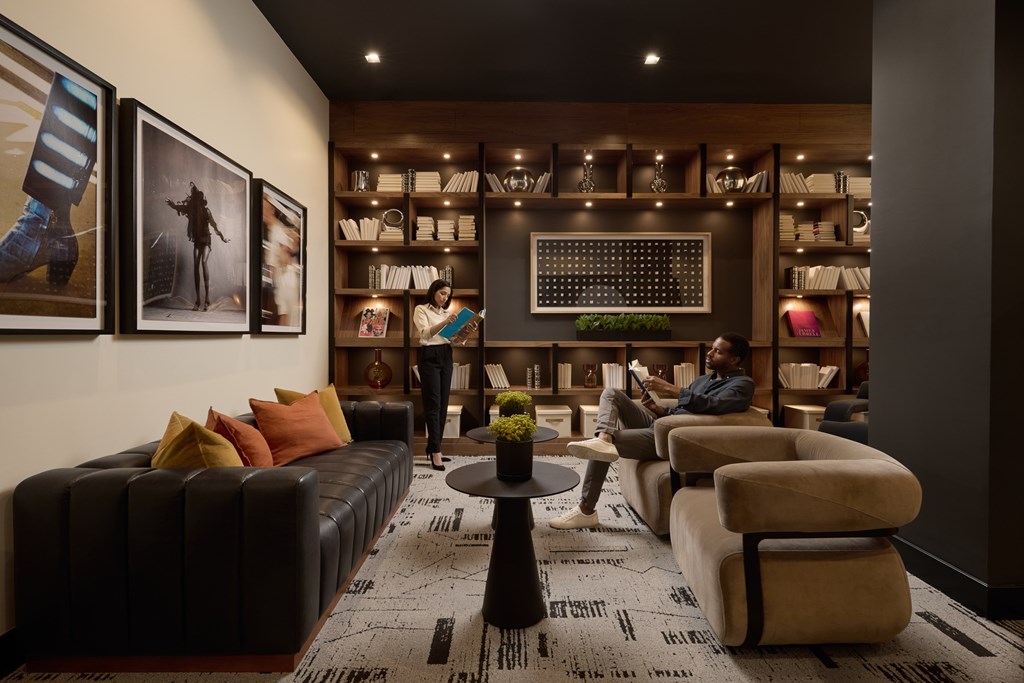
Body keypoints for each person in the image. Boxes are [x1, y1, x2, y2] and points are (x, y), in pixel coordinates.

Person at [549, 332, 755, 530]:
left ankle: (586, 510)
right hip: (663, 424)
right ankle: (604, 437)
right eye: (711, 349)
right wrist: (658, 409)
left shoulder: (743, 385)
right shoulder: (703, 380)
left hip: (675, 438)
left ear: (734, 360)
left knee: (603, 448)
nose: (709, 354)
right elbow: (682, 410)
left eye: (718, 351)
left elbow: (714, 405)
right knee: (611, 393)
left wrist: (670, 388)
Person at [412, 279, 477, 471]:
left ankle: (434, 448)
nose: (444, 297)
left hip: (446, 354)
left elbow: (455, 341)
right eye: (442, 293)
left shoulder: (447, 314)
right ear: (433, 292)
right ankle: (435, 452)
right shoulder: (421, 309)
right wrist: (445, 323)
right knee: (433, 404)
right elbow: (425, 334)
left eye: (447, 295)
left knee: (443, 405)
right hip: (429, 356)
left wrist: (466, 331)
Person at [166, 182, 229, 311]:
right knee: (196, 265)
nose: (193, 202)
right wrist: (172, 204)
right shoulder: (191, 210)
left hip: (206, 240)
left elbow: (214, 225)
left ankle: (207, 299)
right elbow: (179, 207)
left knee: (204, 262)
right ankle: (198, 300)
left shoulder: (206, 211)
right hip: (197, 241)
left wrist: (222, 237)